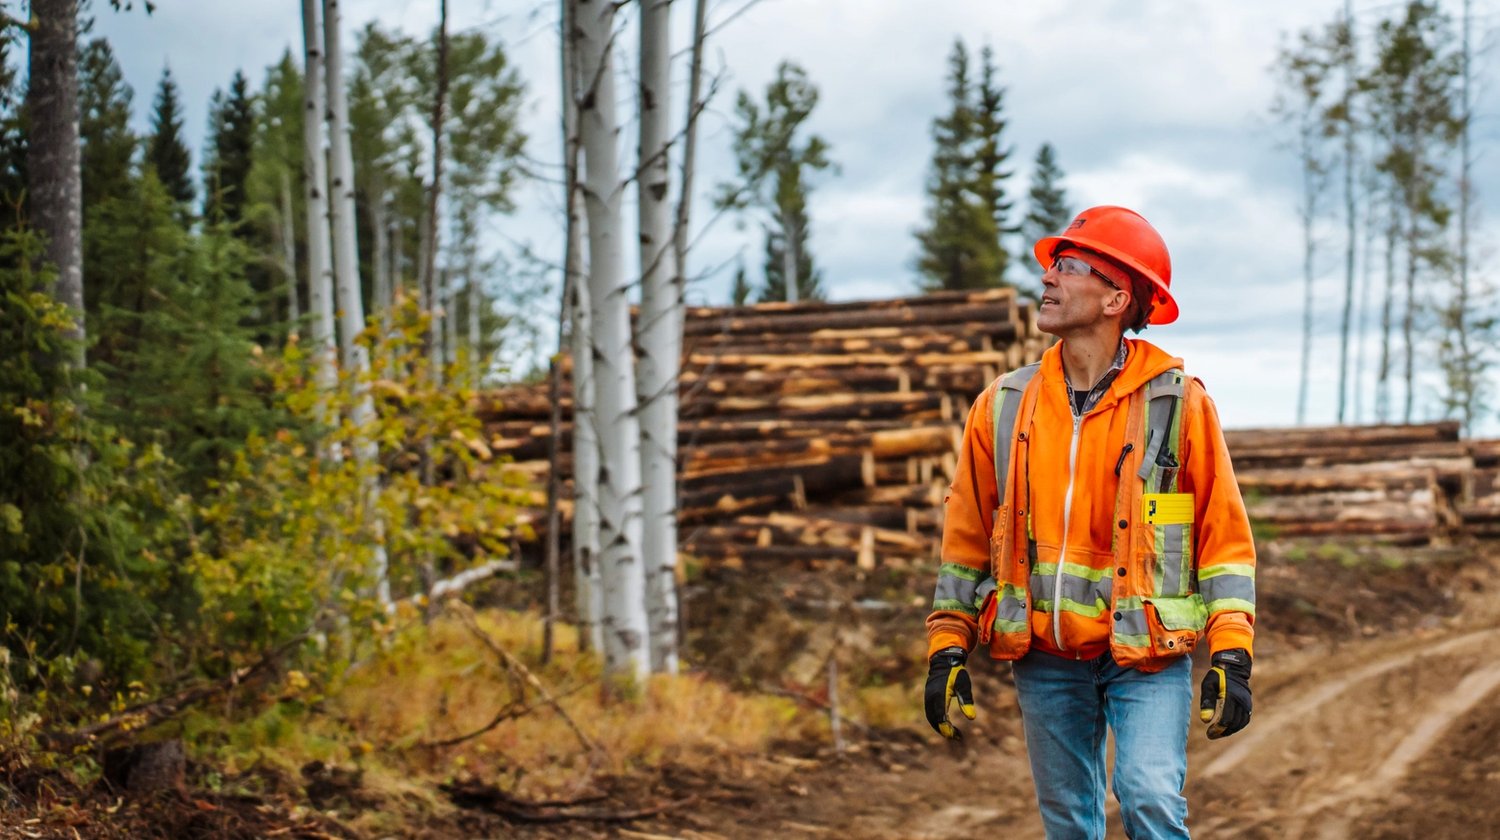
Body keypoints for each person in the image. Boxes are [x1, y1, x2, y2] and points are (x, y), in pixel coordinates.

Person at [922, 205, 1256, 839]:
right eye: (1052, 263)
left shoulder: (1179, 403)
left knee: (1149, 797)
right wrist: (947, 643)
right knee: (1070, 825)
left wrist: (1232, 650)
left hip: (1147, 654)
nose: (1047, 277)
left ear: (1116, 297)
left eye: (1069, 266)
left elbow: (1223, 537)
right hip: (1046, 656)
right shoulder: (1005, 406)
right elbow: (967, 536)